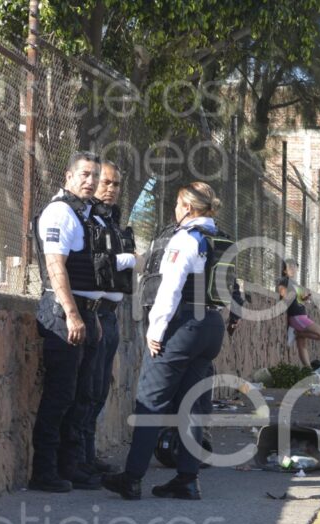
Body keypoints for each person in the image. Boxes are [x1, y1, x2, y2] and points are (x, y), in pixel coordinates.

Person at [102, 182, 230, 500]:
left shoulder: (186, 238)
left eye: (176, 204)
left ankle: (131, 479)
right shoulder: (219, 237)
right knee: (191, 405)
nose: (174, 210)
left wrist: (155, 330)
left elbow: (170, 288)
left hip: (183, 324)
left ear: (187, 207)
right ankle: (187, 478)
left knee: (150, 403)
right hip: (211, 325)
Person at [30, 151, 122, 493]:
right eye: (84, 174)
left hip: (85, 312)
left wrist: (90, 315)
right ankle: (44, 472)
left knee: (80, 393)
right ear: (68, 176)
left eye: (94, 176)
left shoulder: (83, 214)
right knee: (60, 394)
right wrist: (71, 313)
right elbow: (56, 268)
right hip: (61, 314)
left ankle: (69, 467)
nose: (90, 181)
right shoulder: (60, 212)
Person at [83, 161, 136, 475]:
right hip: (95, 312)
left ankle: (88, 455)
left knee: (101, 388)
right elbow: (93, 261)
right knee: (88, 389)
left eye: (116, 184)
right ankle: (79, 458)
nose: (111, 189)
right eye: (106, 182)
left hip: (111, 315)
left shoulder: (112, 220)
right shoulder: (87, 218)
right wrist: (127, 259)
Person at [277, 275, 320, 369]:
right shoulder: (284, 281)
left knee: (302, 346)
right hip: (297, 317)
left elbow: (301, 300)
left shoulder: (296, 284)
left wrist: (306, 297)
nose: (294, 270)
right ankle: (298, 333)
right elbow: (283, 298)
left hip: (302, 316)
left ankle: (309, 370)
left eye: (295, 267)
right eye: (291, 267)